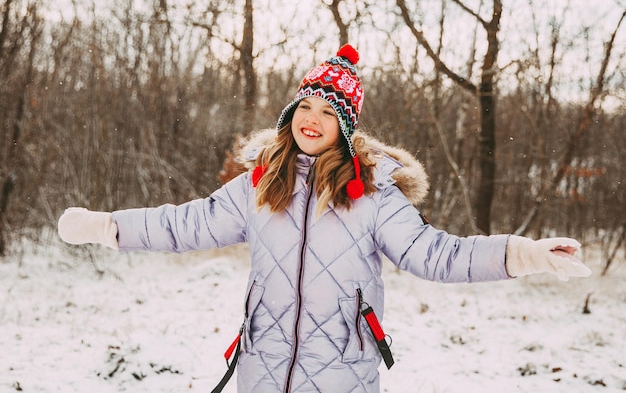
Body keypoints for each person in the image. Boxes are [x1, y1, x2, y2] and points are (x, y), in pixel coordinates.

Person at [58, 44, 592, 393]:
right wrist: (107, 227)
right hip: (261, 370)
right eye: (305, 107)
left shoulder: (374, 194)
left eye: (328, 111)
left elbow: (437, 254)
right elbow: (182, 225)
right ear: (290, 116)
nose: (312, 119)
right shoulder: (261, 186)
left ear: (346, 125)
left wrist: (523, 254)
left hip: (341, 374)